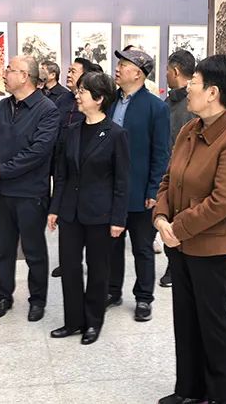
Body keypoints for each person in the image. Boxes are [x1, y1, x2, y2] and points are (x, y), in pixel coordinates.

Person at [153, 54, 226, 404]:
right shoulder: (189, 130)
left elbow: (223, 201)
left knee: (214, 328)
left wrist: (176, 227)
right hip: (180, 244)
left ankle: (221, 397)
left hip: (213, 249)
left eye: (194, 82)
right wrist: (161, 217)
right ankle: (190, 391)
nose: (188, 88)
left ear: (213, 92)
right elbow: (169, 179)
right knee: (186, 322)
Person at [47, 72, 130, 345]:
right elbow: (62, 175)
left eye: (83, 91)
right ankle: (73, 321)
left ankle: (93, 322)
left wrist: (118, 219)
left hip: (100, 214)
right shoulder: (71, 130)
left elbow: (121, 181)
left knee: (98, 270)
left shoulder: (116, 134)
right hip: (70, 213)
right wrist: (54, 208)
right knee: (70, 267)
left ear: (99, 98)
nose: (77, 95)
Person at [0, 55, 60, 321]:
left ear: (24, 76)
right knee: (2, 249)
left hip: (30, 193)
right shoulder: (3, 105)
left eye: (10, 70)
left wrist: (3, 169)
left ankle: (37, 299)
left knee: (34, 251)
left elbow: (38, 152)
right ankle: (3, 295)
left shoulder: (47, 109)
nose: (4, 73)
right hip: (1, 192)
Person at [107, 48, 170, 322]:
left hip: (140, 190)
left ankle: (144, 297)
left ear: (138, 73)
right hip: (111, 189)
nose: (117, 68)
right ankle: (112, 291)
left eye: (124, 64)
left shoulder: (156, 108)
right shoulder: (110, 102)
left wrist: (154, 189)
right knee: (112, 245)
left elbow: (161, 153)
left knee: (142, 248)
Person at [50, 57, 103, 279]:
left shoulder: (95, 105)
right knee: (66, 214)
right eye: (69, 70)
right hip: (63, 161)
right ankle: (68, 262)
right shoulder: (62, 99)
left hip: (86, 166)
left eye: (73, 71)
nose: (68, 74)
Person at [158, 49, 197, 288]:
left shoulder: (192, 104)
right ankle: (174, 264)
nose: (165, 75)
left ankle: (178, 267)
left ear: (175, 71)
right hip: (169, 171)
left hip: (186, 172)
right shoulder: (169, 102)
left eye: (167, 71)